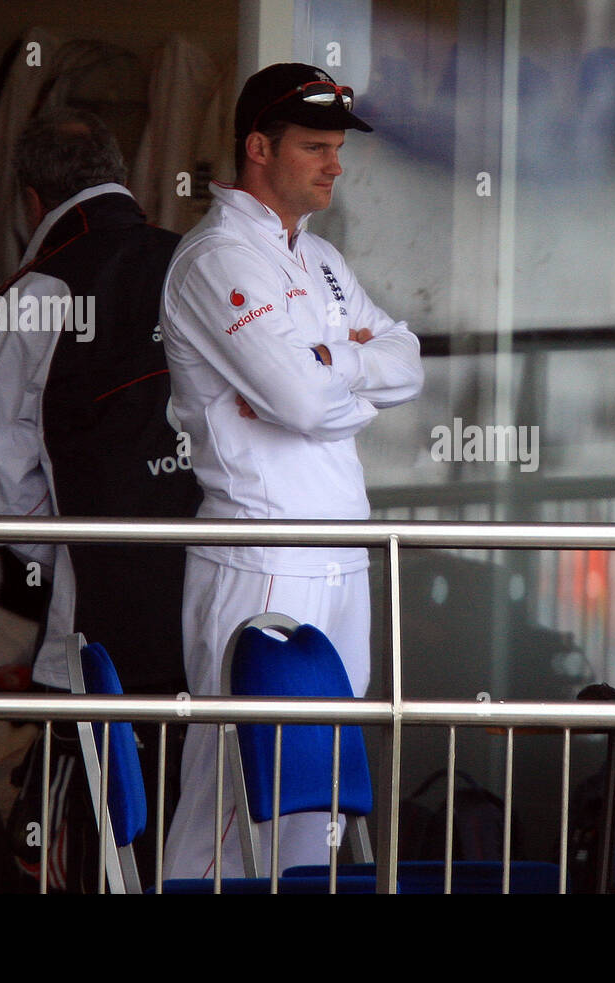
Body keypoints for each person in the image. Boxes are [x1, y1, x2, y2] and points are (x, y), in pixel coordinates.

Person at [159, 63, 424, 879]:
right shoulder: (215, 256)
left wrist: (328, 362)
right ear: (259, 148)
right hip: (263, 555)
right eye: (315, 146)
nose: (335, 163)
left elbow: (409, 362)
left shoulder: (323, 261)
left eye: (338, 146)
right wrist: (349, 372)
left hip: (339, 553)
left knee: (323, 812)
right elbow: (305, 403)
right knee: (230, 802)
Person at [0, 107, 199, 890]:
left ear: (32, 201)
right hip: (219, 613)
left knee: (97, 853)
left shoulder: (32, 298)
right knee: (205, 842)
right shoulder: (200, 264)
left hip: (97, 640)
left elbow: (0, 491)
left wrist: (74, 550)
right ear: (120, 175)